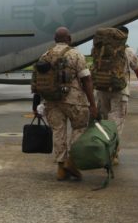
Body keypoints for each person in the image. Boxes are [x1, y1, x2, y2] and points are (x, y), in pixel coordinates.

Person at [32, 27, 99, 181]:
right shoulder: (75, 54)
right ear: (69, 38)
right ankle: (71, 161)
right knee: (80, 128)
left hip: (51, 101)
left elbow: (37, 82)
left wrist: (36, 105)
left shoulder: (45, 55)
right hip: (74, 100)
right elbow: (86, 79)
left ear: (55, 39)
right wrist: (92, 104)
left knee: (58, 131)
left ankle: (61, 168)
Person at [93, 26, 138, 164]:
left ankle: (102, 148)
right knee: (117, 122)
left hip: (102, 90)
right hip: (120, 91)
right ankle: (113, 153)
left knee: (104, 121)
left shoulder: (102, 50)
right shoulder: (128, 51)